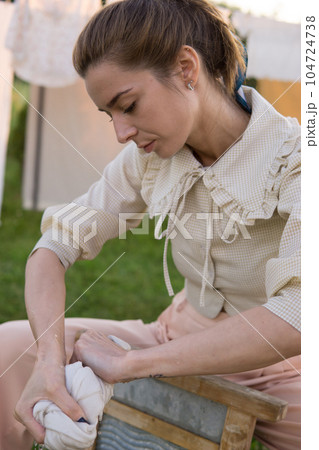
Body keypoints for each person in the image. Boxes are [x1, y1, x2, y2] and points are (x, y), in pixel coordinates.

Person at [0, 0, 301, 449]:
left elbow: (301, 314)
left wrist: (134, 364)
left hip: (290, 369)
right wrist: (48, 359)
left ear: (185, 68)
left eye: (129, 105)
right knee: (7, 351)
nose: (121, 132)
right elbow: (52, 247)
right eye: (110, 115)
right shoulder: (147, 160)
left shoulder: (297, 160)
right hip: (176, 334)